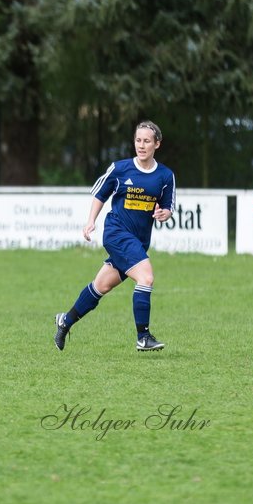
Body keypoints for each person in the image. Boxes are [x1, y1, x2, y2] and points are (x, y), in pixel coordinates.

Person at [53, 121, 175, 353]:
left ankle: (65, 321)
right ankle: (143, 336)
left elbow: (168, 208)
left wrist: (163, 214)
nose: (141, 145)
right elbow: (100, 194)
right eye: (138, 140)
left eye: (147, 141)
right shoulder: (120, 169)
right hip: (116, 233)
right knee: (146, 278)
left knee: (101, 286)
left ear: (157, 144)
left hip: (139, 241)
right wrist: (91, 221)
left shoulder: (165, 176)